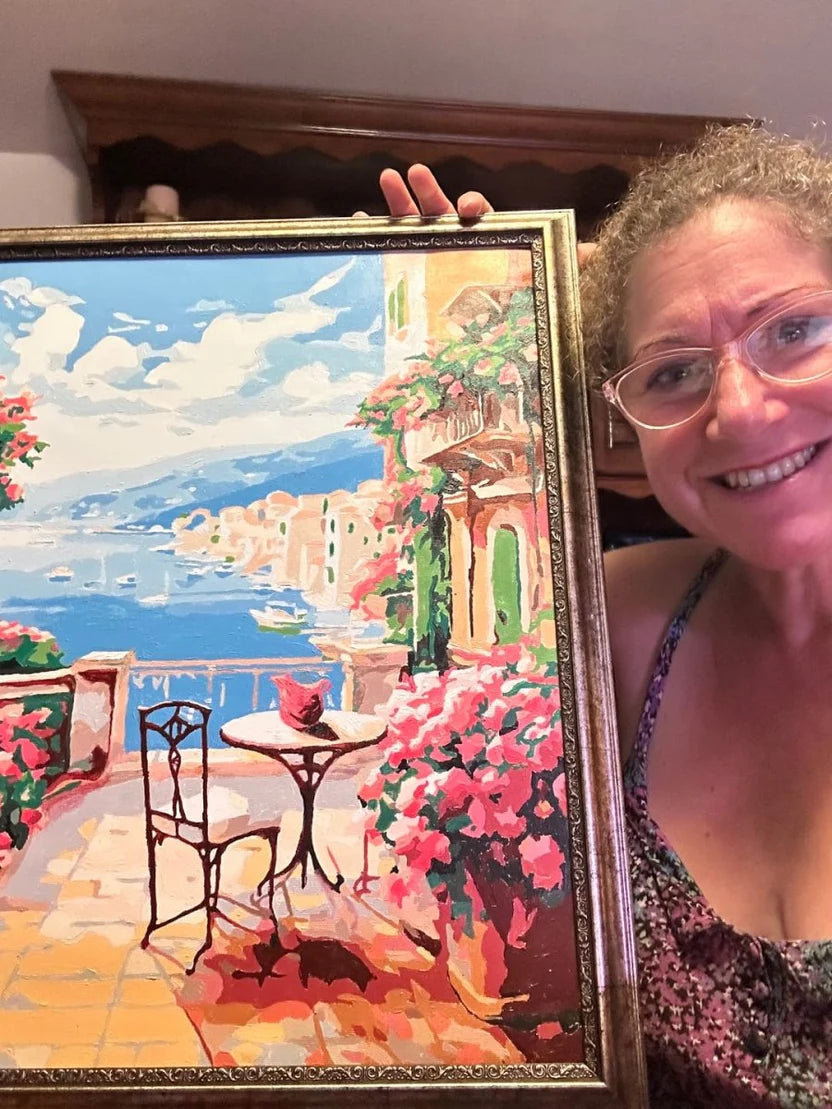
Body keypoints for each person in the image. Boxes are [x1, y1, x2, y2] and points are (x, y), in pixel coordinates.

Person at [379, 127, 832, 1107]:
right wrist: (482, 286)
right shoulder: (610, 621)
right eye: (673, 371)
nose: (741, 410)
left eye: (794, 329)